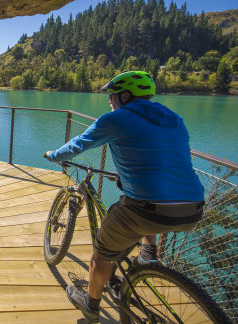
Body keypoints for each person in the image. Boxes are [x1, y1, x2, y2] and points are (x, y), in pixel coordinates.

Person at [44, 71, 204, 323]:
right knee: (130, 208)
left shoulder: (117, 119)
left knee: (102, 253)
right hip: (193, 207)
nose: (109, 101)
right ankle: (148, 252)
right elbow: (161, 154)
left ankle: (90, 305)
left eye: (111, 96)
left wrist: (53, 155)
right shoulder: (175, 119)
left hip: (147, 208)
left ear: (125, 95)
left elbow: (78, 145)